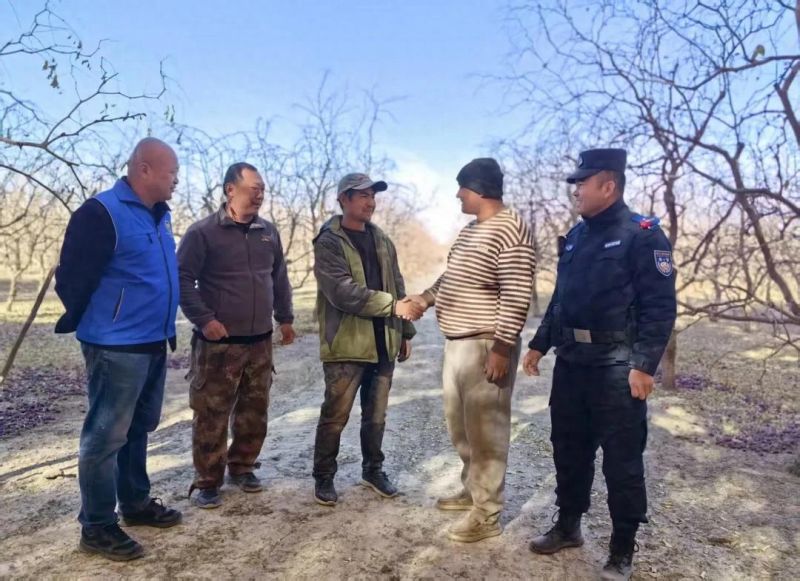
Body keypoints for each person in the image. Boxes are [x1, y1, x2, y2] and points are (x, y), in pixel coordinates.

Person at [523, 149, 677, 580]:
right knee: (568, 450)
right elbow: (561, 299)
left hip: (617, 367)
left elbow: (660, 306)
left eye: (583, 183)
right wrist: (539, 344)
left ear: (608, 186)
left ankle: (622, 547)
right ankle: (568, 526)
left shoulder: (642, 235)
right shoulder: (576, 237)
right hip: (572, 364)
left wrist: (644, 365)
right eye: (575, 183)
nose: (576, 190)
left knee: (622, 462)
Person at [54, 137, 182, 561]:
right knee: (105, 436)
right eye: (172, 172)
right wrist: (105, 320)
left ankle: (135, 503)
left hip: (152, 341)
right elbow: (71, 279)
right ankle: (96, 525)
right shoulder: (100, 213)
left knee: (138, 427)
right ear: (144, 169)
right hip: (115, 346)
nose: (176, 180)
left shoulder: (160, 216)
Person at [407, 157, 536, 543]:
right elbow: (453, 277)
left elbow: (516, 293)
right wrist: (425, 298)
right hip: (457, 344)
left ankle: (487, 513)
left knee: (486, 432)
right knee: (461, 426)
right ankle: (473, 489)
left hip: (486, 345)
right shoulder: (470, 231)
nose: (458, 194)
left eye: (462, 187)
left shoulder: (511, 229)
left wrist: (502, 348)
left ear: (479, 188)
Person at [177, 162, 295, 509]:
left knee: (254, 410)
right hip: (219, 345)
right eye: (253, 188)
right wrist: (204, 320)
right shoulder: (202, 233)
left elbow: (278, 277)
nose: (259, 195)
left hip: (259, 341)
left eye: (262, 190)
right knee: (211, 413)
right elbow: (181, 280)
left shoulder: (268, 232)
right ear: (231, 189)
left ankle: (242, 466)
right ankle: (207, 481)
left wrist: (285, 318)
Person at [311, 172, 420, 507]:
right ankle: (324, 476)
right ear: (344, 199)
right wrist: (393, 306)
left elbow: (397, 283)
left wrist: (405, 330)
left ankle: (373, 470)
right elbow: (342, 292)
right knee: (335, 415)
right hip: (346, 345)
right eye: (363, 195)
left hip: (384, 340)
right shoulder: (329, 241)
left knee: (376, 416)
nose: (370, 202)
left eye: (373, 196)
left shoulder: (382, 239)